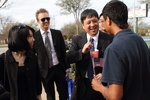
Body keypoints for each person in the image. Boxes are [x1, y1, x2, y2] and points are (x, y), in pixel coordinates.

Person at [91, 0, 150, 100]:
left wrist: (99, 87)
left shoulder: (113, 49)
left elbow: (115, 96)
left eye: (103, 20)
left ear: (108, 20)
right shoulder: (139, 40)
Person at [66, 9, 113, 100]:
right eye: (88, 22)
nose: (92, 25)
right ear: (83, 25)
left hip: (102, 84)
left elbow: (114, 61)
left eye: (95, 21)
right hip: (83, 84)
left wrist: (105, 73)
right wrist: (82, 52)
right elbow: (69, 58)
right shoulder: (78, 40)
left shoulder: (109, 39)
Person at [0, 23, 42, 100]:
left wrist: (39, 95)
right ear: (20, 38)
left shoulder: (32, 57)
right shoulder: (3, 59)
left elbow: (37, 79)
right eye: (30, 36)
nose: (33, 39)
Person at [33, 8, 68, 100]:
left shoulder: (57, 33)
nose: (46, 21)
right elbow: (33, 55)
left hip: (59, 68)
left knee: (64, 94)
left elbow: (63, 52)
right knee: (50, 96)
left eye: (47, 18)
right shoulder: (34, 37)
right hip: (45, 72)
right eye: (43, 19)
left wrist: (66, 68)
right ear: (37, 21)